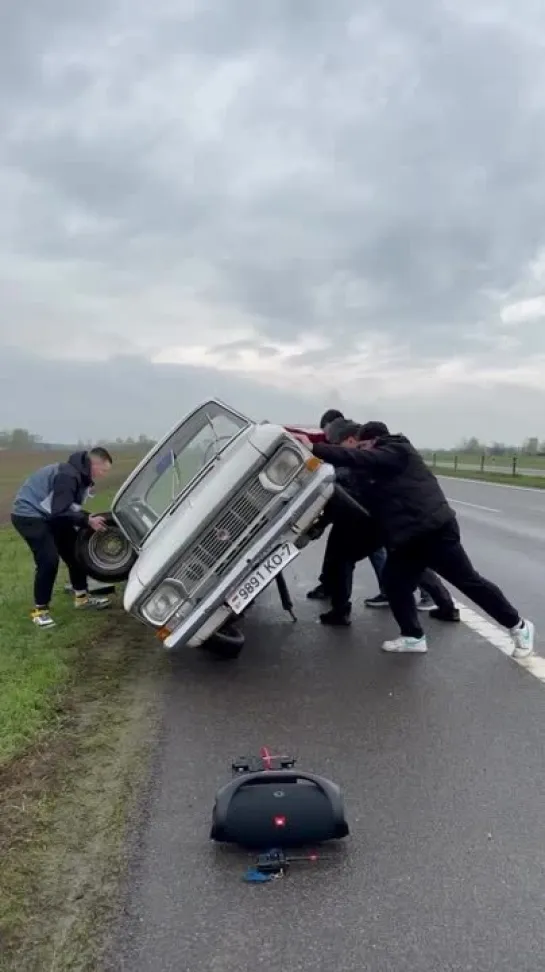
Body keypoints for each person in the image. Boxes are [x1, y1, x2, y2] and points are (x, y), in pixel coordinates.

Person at [296, 422, 535, 658]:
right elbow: (351, 482)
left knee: (468, 581)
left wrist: (315, 449)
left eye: (364, 446)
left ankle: (519, 626)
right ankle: (413, 636)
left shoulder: (397, 451)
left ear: (376, 441)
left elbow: (363, 459)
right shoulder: (376, 467)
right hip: (408, 538)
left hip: (434, 531)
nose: (362, 451)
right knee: (394, 583)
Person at [308, 421, 459, 626]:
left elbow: (339, 491)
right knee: (415, 563)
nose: (337, 447)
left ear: (351, 440)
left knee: (342, 559)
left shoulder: (362, 458)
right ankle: (446, 605)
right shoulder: (375, 453)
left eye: (338, 443)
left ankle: (341, 610)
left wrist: (320, 523)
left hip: (369, 522)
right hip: (385, 522)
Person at [11, 448, 114, 628]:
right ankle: (40, 611)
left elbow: (66, 508)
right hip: (30, 515)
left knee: (76, 551)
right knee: (48, 560)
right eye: (103, 470)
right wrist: (86, 519)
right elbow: (60, 510)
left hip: (51, 514)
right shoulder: (68, 476)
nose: (103, 475)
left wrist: (86, 519)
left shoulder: (80, 476)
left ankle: (82, 598)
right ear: (93, 464)